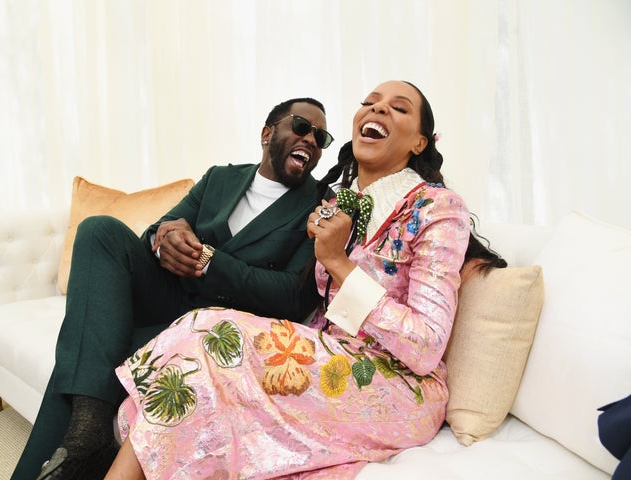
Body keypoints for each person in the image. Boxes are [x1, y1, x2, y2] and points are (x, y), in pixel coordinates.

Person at [102, 80, 507, 480]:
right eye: (369, 102)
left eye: (398, 108)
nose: (378, 109)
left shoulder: (437, 207)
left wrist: (335, 260)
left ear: (420, 142)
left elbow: (426, 345)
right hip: (325, 356)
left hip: (397, 382)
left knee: (209, 331)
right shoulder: (333, 205)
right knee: (155, 399)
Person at [15, 97, 335, 480]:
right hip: (167, 296)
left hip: (217, 328)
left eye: (321, 136)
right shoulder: (220, 178)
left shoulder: (319, 204)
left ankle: (86, 430)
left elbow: (292, 295)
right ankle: (91, 430)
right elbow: (161, 226)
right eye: (302, 126)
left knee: (91, 357)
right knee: (100, 230)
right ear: (268, 134)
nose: (312, 139)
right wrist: (164, 237)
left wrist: (207, 259)